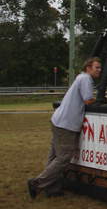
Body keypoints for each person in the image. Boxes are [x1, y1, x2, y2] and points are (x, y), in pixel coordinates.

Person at [28, 57, 101, 198]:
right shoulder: (86, 79)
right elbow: (88, 100)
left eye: (100, 67)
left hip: (59, 120)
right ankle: (37, 183)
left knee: (55, 156)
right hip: (66, 124)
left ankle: (51, 188)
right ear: (88, 68)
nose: (99, 70)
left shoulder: (80, 78)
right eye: (96, 67)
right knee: (64, 158)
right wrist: (102, 99)